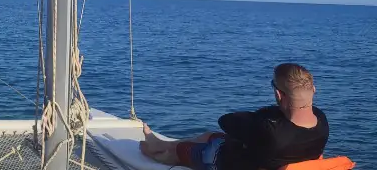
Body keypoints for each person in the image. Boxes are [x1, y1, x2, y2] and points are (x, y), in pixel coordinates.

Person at [140, 63, 330, 170]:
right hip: (267, 157)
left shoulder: (268, 128)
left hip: (223, 161)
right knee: (209, 136)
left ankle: (159, 153)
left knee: (183, 150)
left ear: (279, 95)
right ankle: (162, 143)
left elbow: (226, 120)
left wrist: (267, 113)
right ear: (313, 90)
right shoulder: (321, 123)